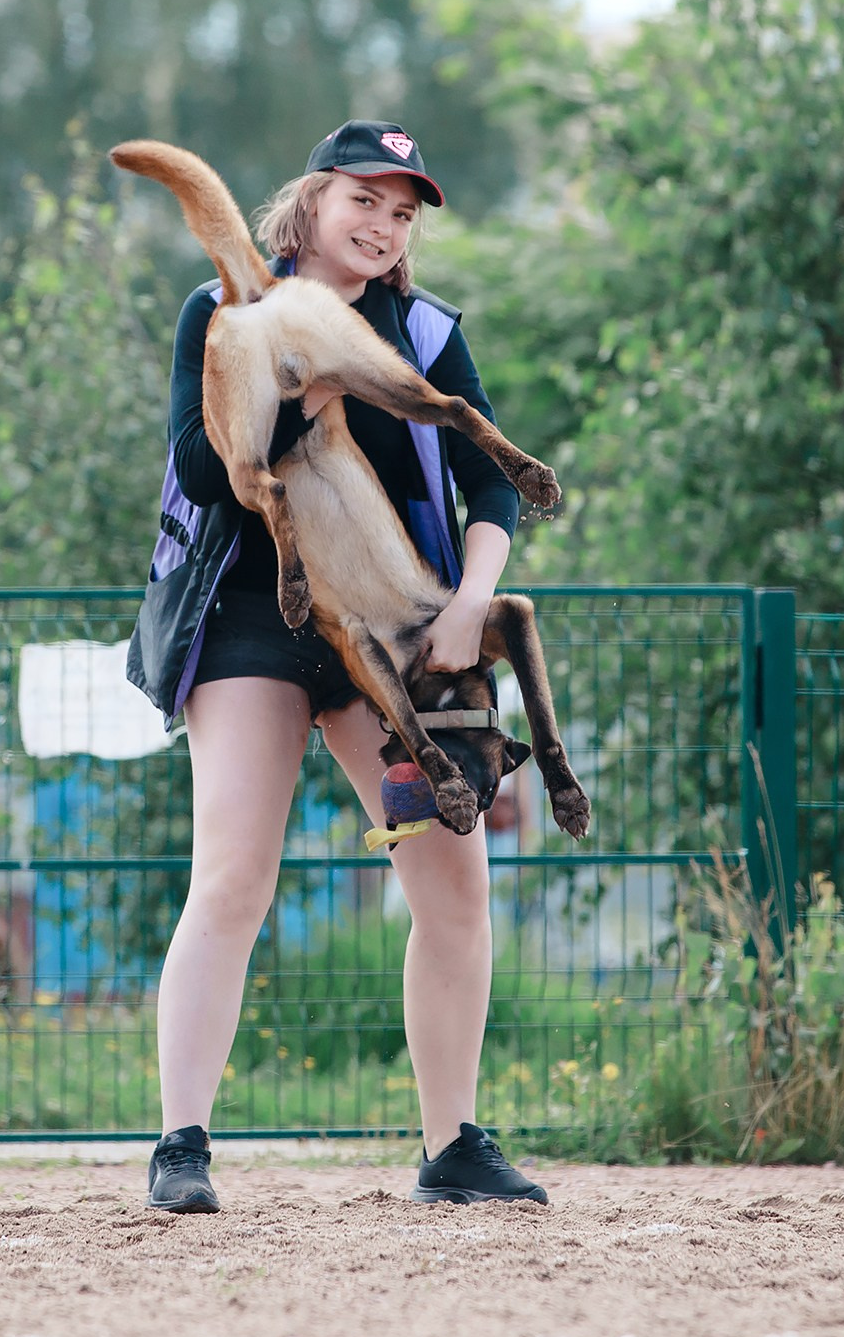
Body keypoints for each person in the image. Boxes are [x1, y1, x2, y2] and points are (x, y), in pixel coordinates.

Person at [141, 121, 545, 1212]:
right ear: (313, 202)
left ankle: (452, 1145)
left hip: (394, 638)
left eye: (403, 211)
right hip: (250, 618)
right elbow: (198, 463)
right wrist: (309, 389)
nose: (382, 224)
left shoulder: (421, 328)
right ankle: (181, 1145)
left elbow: (492, 484)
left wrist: (470, 601)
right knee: (232, 876)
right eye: (364, 199)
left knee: (455, 886)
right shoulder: (224, 310)